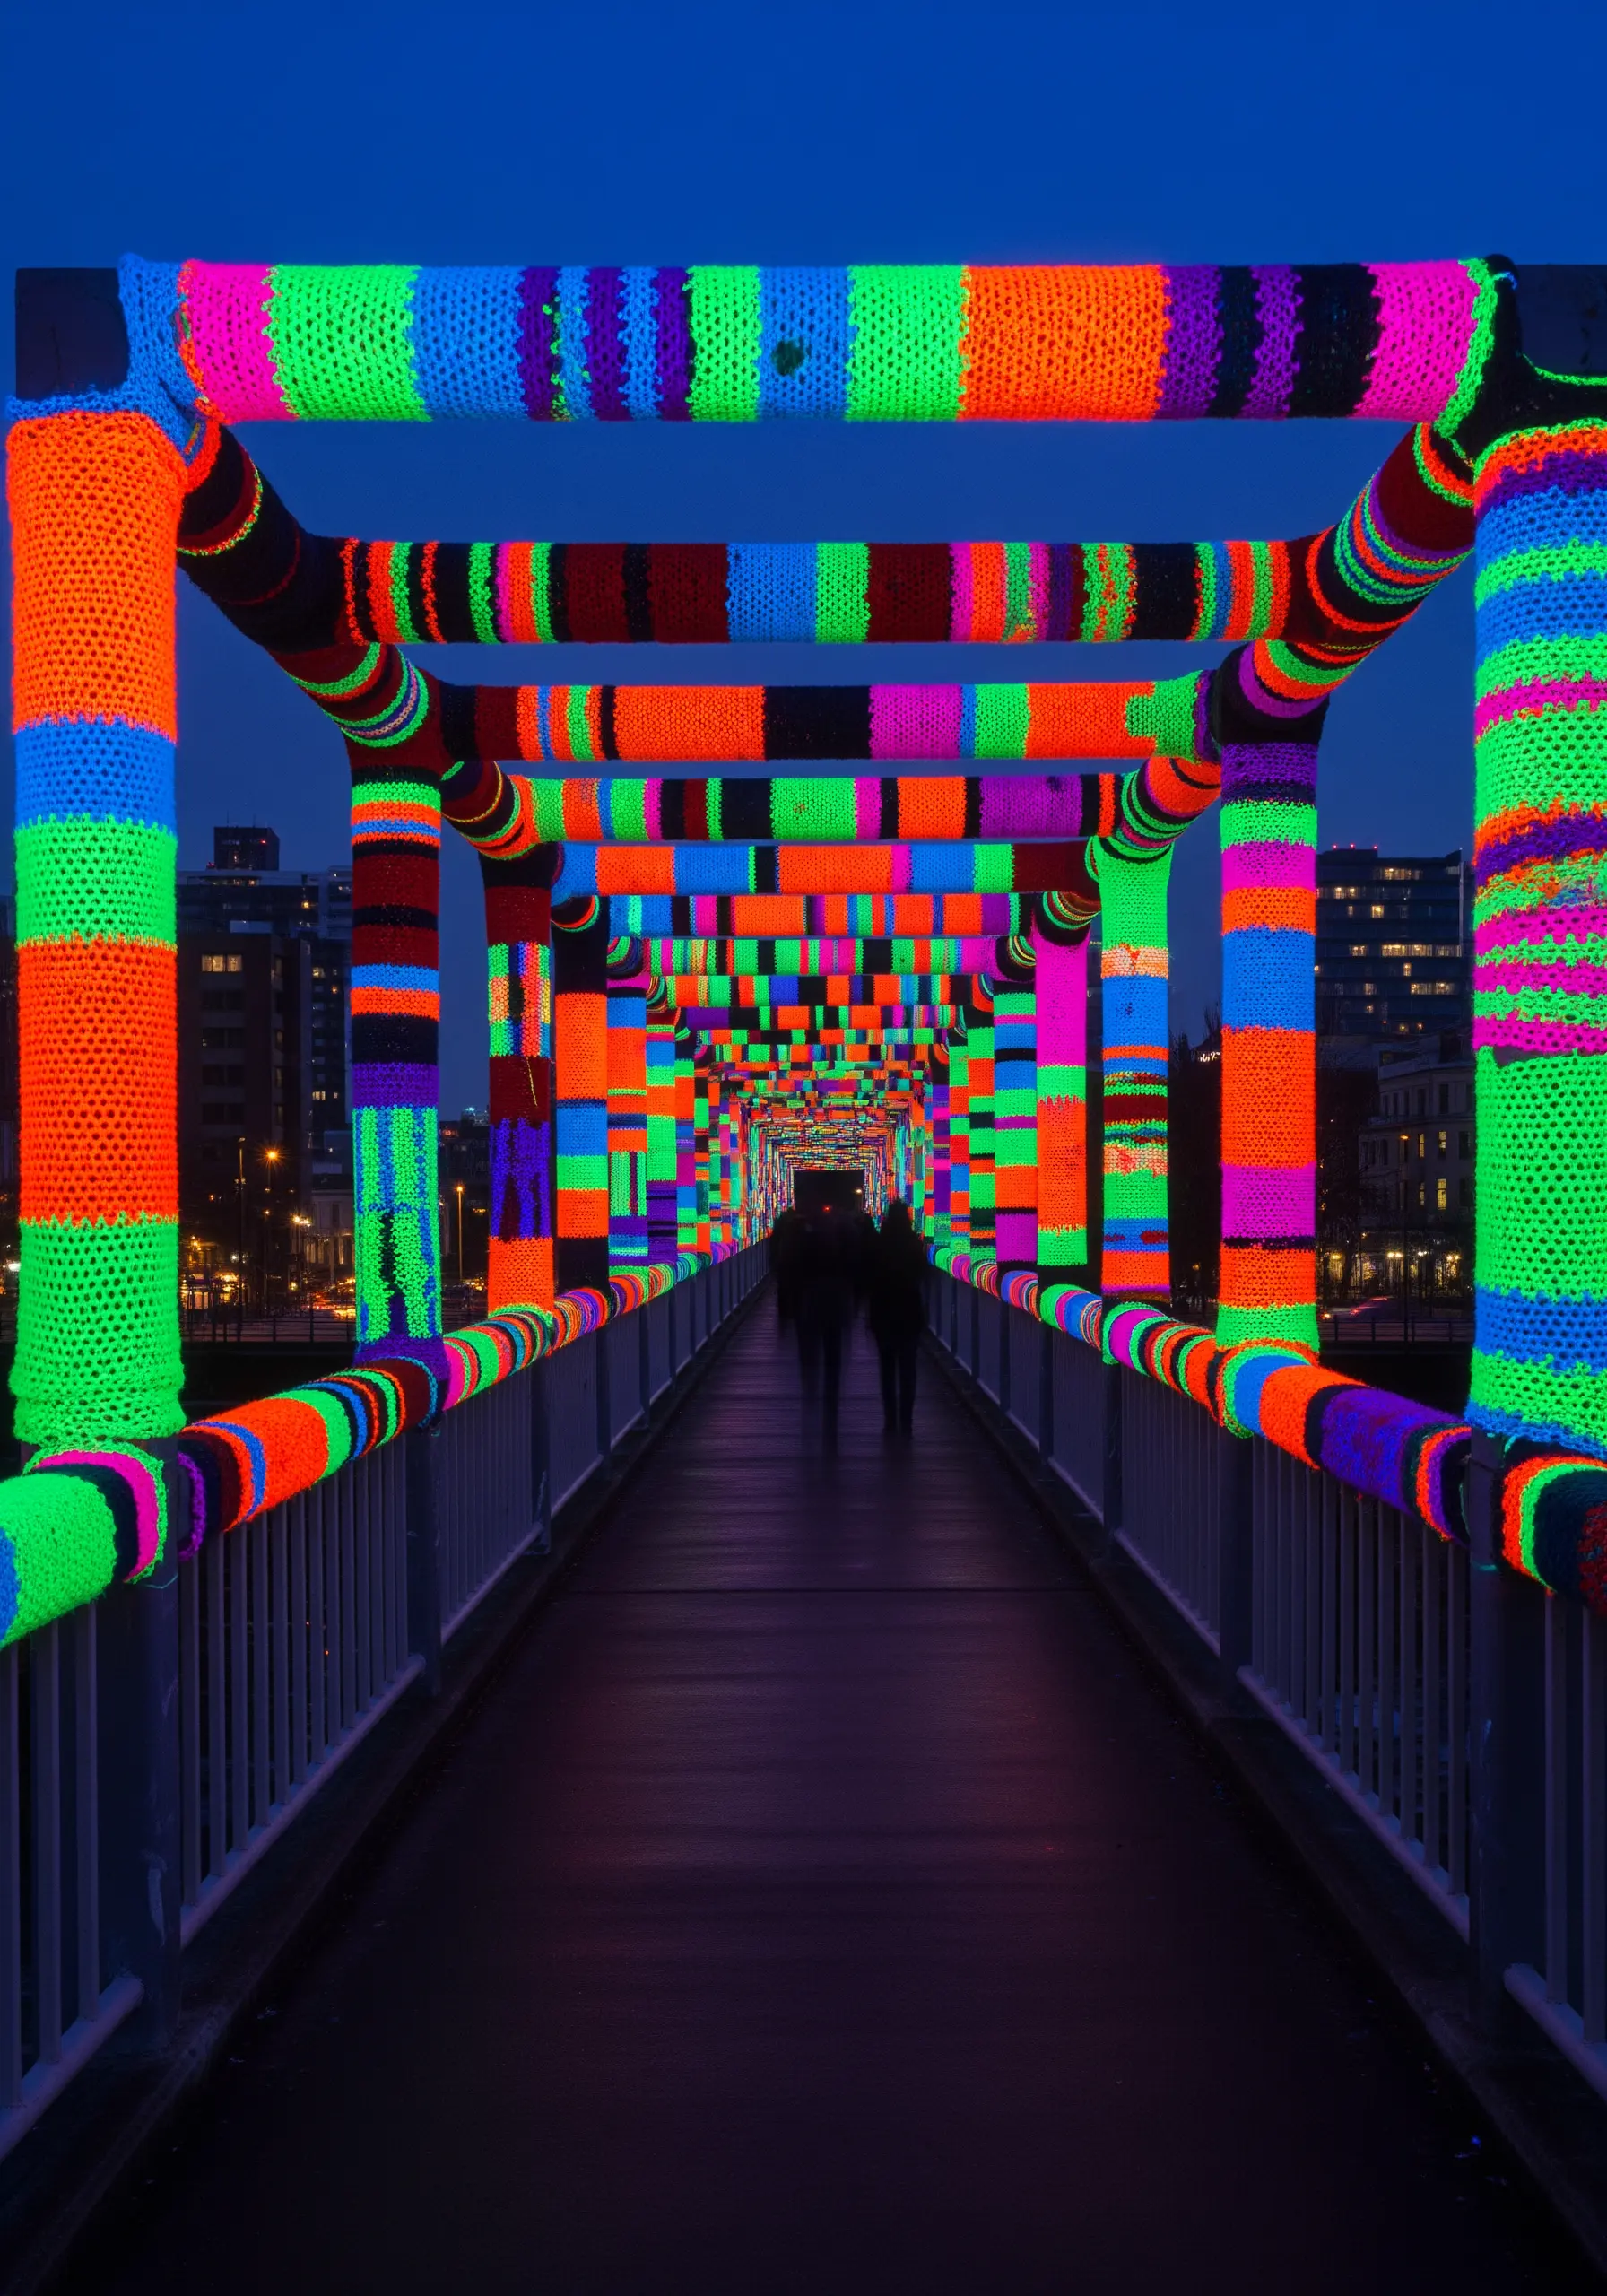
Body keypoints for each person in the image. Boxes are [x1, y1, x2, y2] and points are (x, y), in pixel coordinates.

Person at [866, 1199, 927, 1436]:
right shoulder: (913, 1244)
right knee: (908, 1368)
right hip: (909, 1311)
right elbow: (922, 1273)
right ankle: (907, 1421)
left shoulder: (879, 1244)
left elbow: (870, 1275)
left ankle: (890, 1420)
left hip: (884, 1311)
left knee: (887, 1368)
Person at [795, 1205, 855, 1443]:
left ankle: (811, 1387)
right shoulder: (842, 1246)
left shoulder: (807, 1243)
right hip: (836, 1304)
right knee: (833, 1350)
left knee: (811, 1347)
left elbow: (796, 1269)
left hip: (812, 1303)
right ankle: (832, 1393)